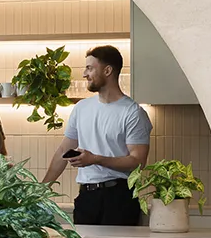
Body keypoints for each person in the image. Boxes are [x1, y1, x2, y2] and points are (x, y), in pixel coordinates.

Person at [41, 45, 151, 225]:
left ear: (107, 71)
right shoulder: (81, 108)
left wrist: (95, 159)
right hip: (86, 198)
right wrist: (41, 189)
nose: (84, 74)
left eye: (90, 68)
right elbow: (63, 150)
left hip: (119, 199)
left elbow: (138, 161)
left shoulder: (133, 113)